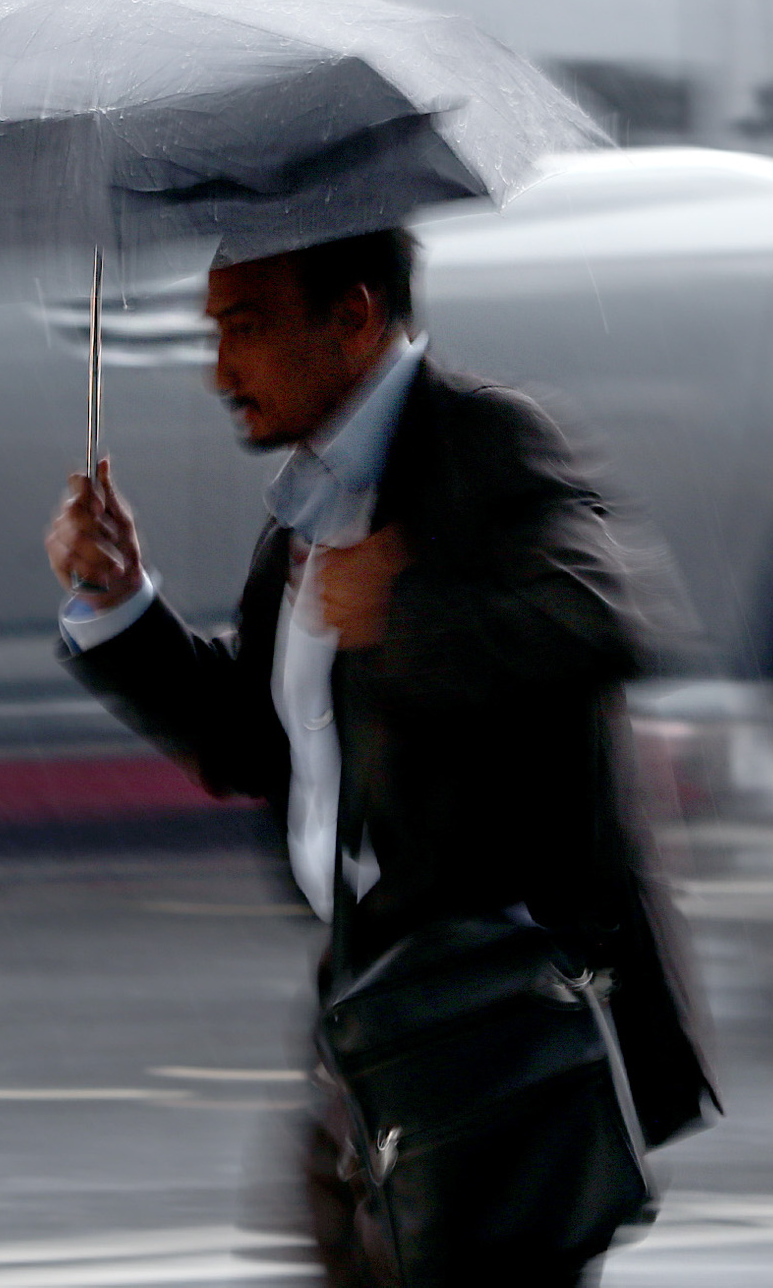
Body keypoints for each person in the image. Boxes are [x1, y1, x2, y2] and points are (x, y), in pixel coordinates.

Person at [44, 227, 714, 1286]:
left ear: (354, 316)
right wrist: (120, 603)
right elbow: (252, 739)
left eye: (248, 328)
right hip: (376, 1029)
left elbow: (608, 617)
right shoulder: (307, 516)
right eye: (214, 331)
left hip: (500, 1030)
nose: (220, 369)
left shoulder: (490, 443)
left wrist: (403, 616)